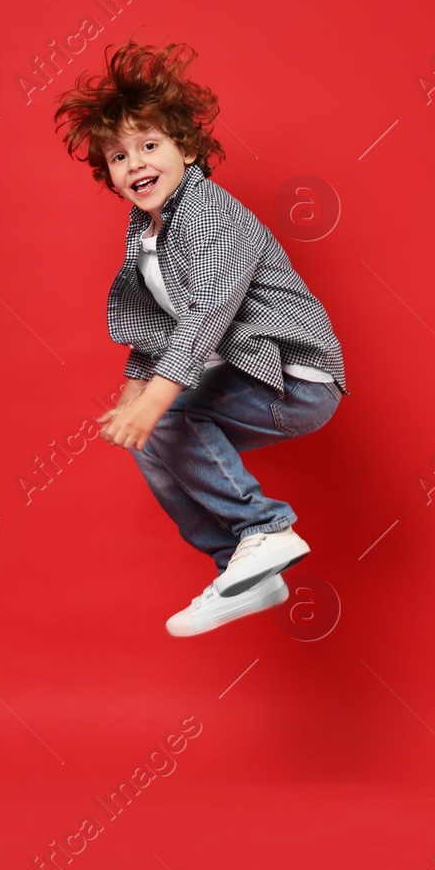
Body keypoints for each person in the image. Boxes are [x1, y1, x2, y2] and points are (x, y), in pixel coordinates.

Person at [52, 37, 348, 637]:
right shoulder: (145, 230)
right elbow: (156, 324)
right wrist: (133, 394)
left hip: (295, 378)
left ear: (187, 148)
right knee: (154, 441)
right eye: (117, 157)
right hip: (244, 370)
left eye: (149, 146)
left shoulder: (209, 212)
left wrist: (155, 404)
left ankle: (263, 528)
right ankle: (244, 570)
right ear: (108, 178)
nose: (134, 164)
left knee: (163, 422)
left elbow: (208, 312)